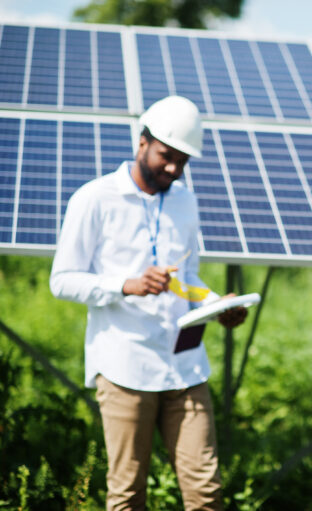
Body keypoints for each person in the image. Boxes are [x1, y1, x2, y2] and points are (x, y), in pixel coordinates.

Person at [50, 95, 246, 511]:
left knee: (206, 492)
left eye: (183, 160)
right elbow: (62, 281)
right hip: (125, 366)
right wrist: (127, 285)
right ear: (142, 142)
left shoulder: (185, 202)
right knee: (127, 493)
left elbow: (186, 279)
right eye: (166, 156)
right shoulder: (94, 198)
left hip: (185, 366)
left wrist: (218, 303)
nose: (174, 168)